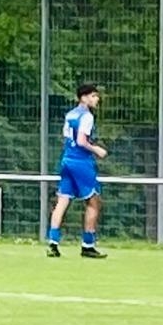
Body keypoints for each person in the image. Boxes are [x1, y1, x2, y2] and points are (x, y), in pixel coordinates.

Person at [48, 84, 108, 259]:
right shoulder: (87, 116)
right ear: (84, 98)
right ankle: (88, 245)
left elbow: (68, 137)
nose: (97, 99)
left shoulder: (70, 114)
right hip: (81, 162)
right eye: (93, 96)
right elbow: (81, 141)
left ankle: (53, 243)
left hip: (67, 160)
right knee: (94, 201)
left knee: (62, 200)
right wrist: (97, 150)